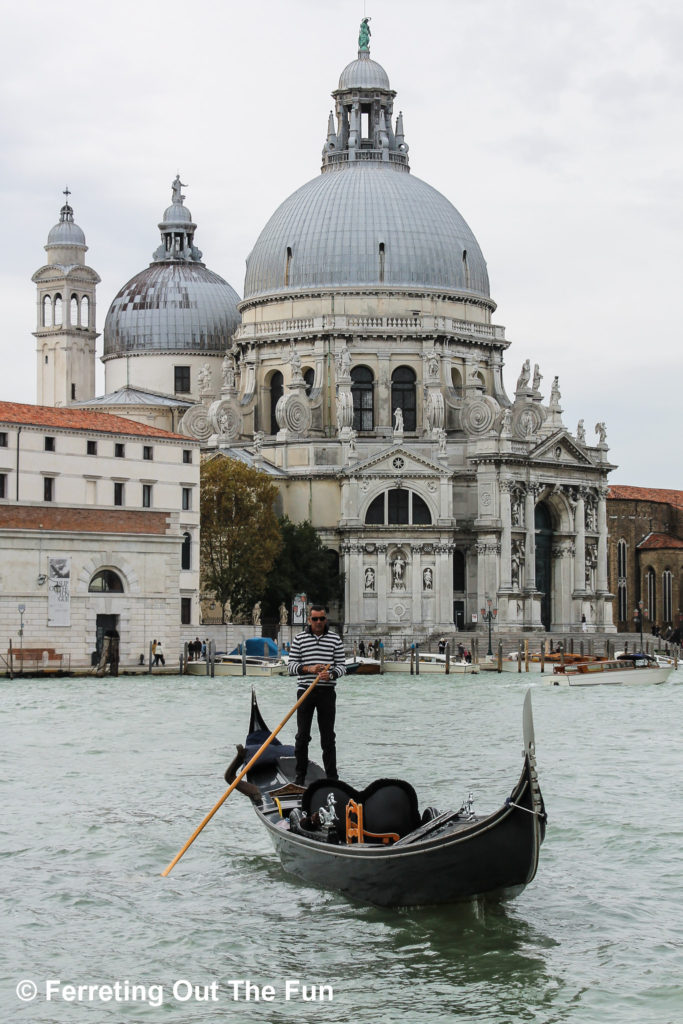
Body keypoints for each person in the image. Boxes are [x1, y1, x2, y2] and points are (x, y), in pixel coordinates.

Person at [288, 604, 346, 786]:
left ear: (325, 620)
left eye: (321, 619)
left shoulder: (335, 640)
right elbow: (290, 667)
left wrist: (332, 674)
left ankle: (332, 778)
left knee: (328, 737)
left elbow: (342, 666)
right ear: (309, 620)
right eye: (315, 619)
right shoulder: (299, 639)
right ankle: (299, 777)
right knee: (302, 736)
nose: (319, 622)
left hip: (327, 692)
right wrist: (309, 669)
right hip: (305, 691)